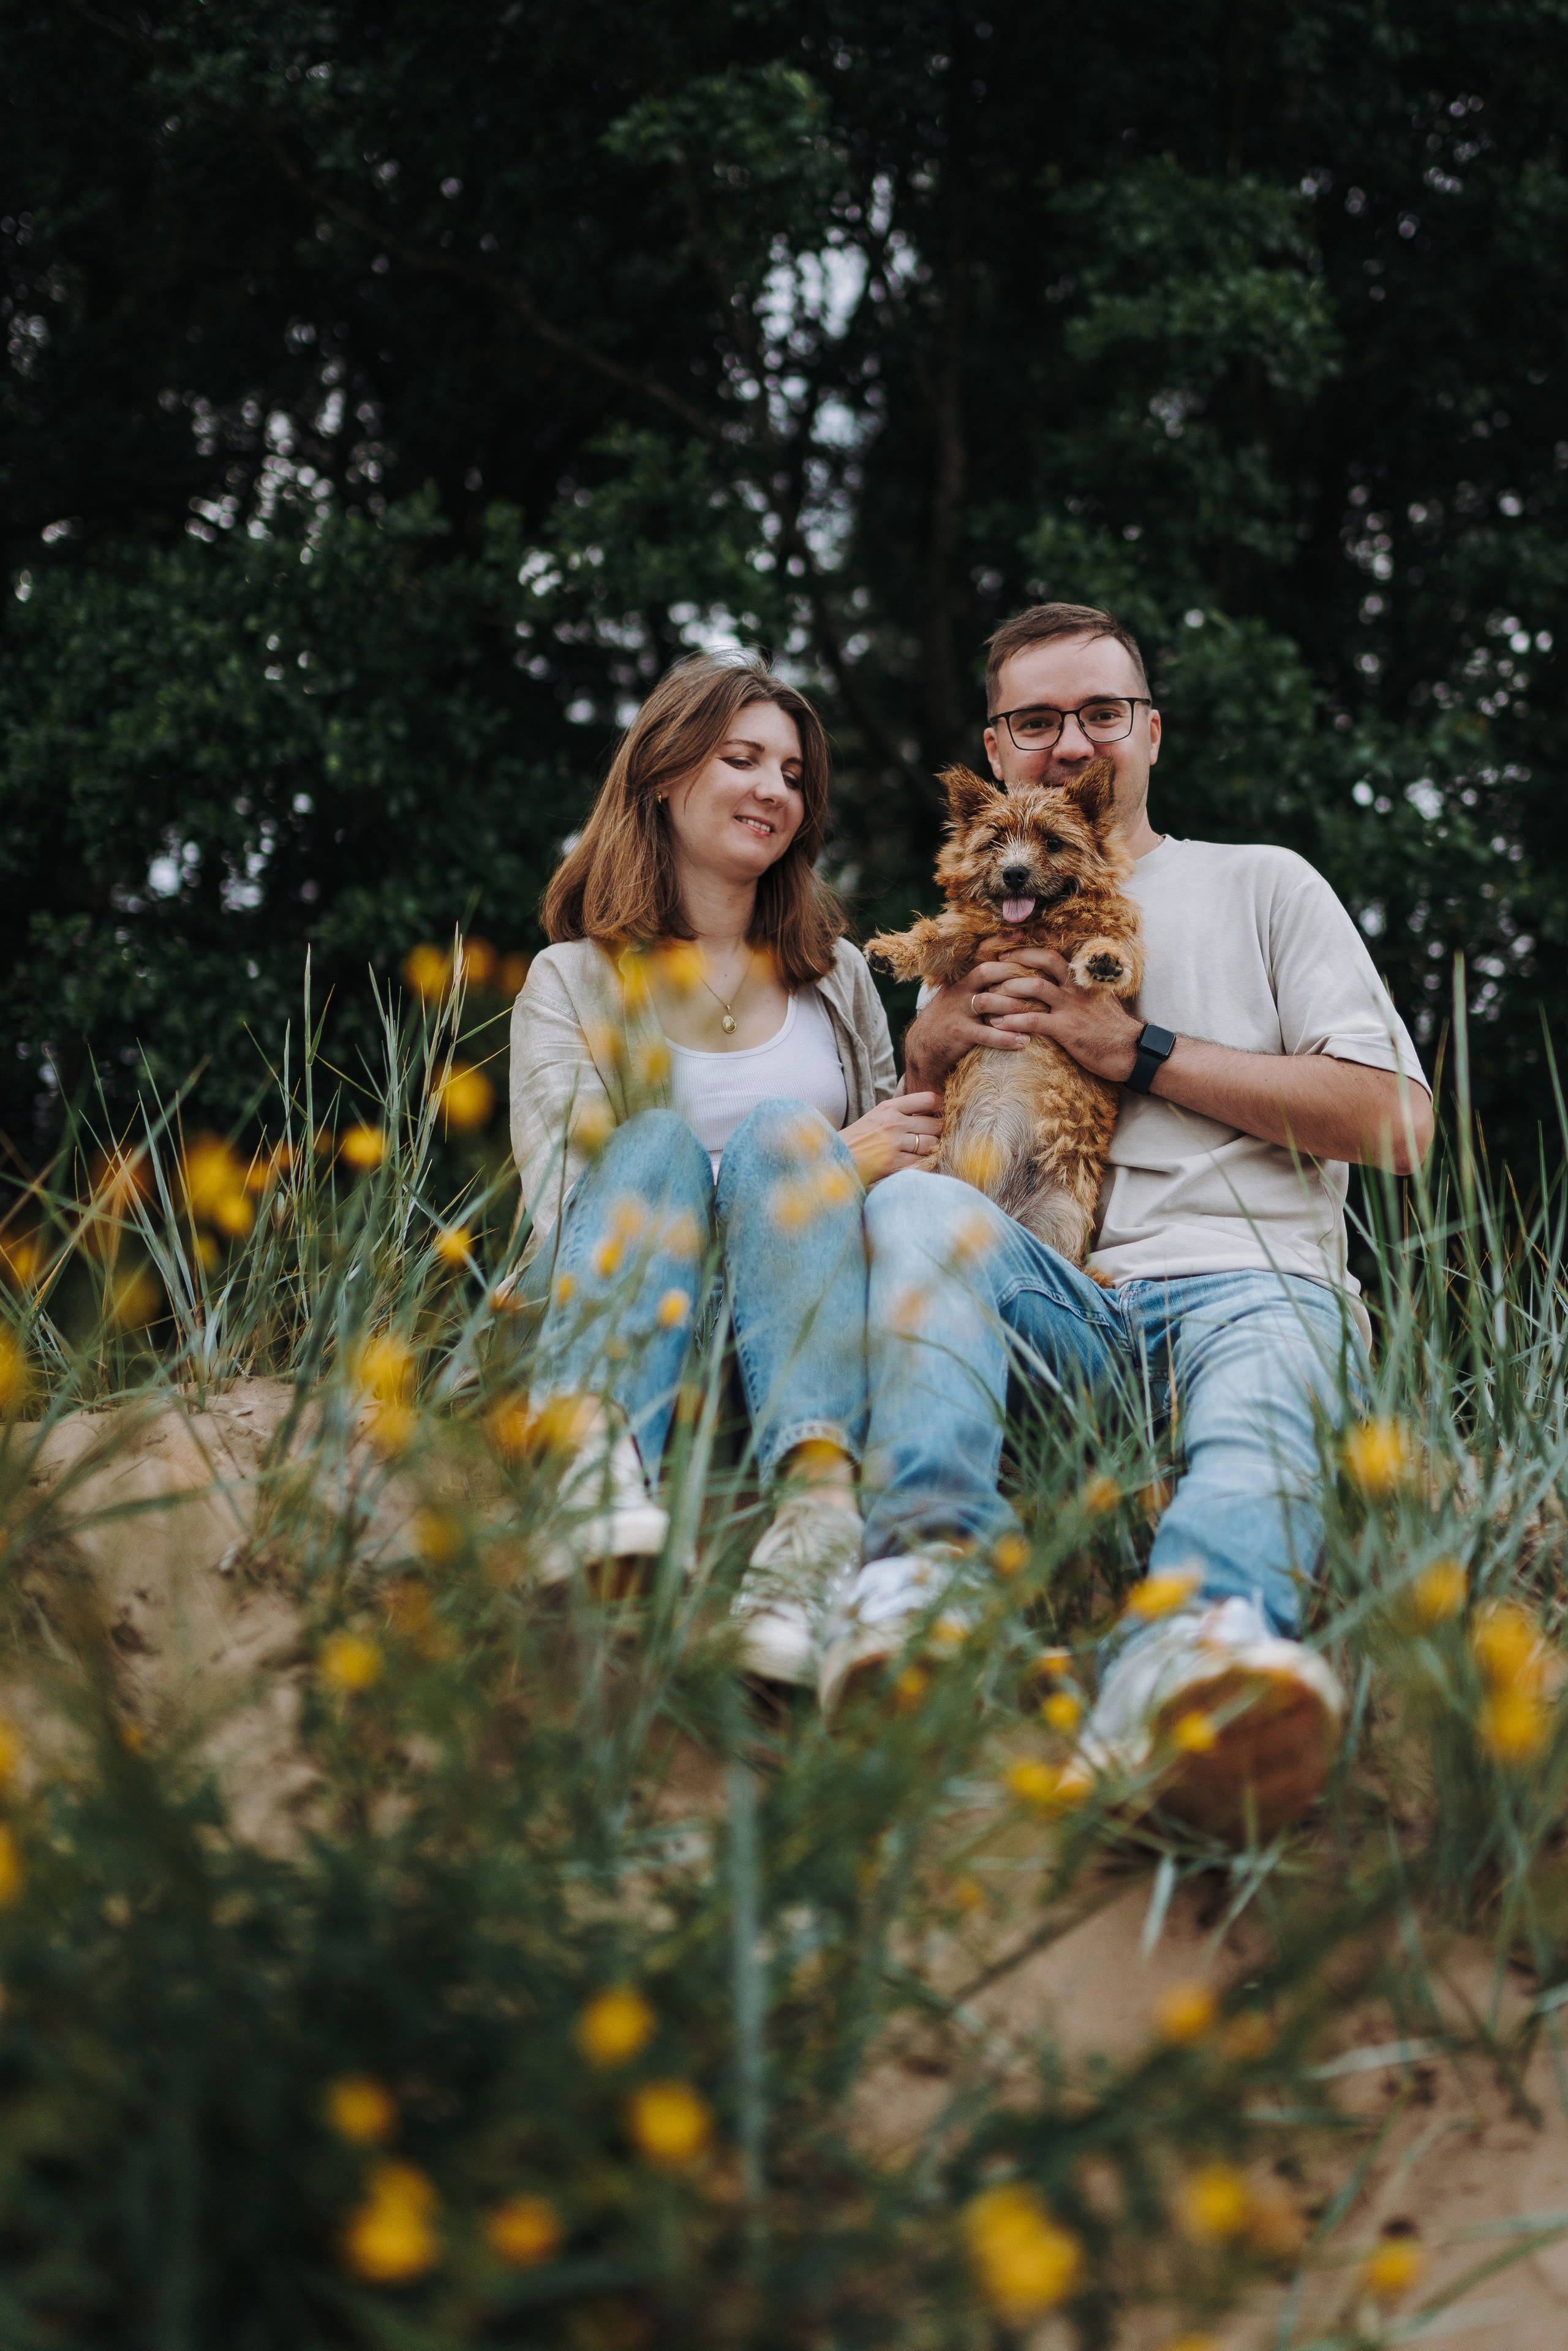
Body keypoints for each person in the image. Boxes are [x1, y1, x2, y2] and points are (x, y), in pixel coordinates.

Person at [821, 601, 1433, 1835]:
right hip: (1050, 1302)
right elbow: (918, 1151)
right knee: (929, 1215)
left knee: (1277, 1343)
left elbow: (1394, 1122)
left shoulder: (1260, 884)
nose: (1071, 740)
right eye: (1034, 719)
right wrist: (928, 1051)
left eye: (1100, 711)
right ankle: (930, 1579)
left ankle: (1193, 1648)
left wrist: (1140, 1048)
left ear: (1148, 730)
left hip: (1244, 1283)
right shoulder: (978, 921)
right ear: (995, 753)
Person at [508, 652, 941, 1683]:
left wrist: (812, 1165)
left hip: (805, 1326)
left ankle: (816, 1521)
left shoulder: (835, 975)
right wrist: (826, 1162)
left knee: (779, 1132)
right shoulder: (571, 979)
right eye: (742, 759)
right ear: (665, 773)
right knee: (653, 1142)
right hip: (638, 1311)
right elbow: (567, 1202)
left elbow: (910, 1158)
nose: (774, 791)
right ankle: (592, 1470)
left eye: (794, 775)